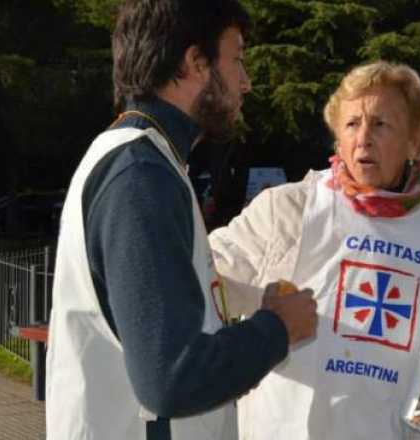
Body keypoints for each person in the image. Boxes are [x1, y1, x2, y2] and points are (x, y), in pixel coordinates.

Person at [45, 1, 317, 439]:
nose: (245, 82)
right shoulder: (141, 176)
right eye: (238, 59)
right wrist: (278, 329)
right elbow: (172, 377)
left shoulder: (147, 160)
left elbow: (170, 302)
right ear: (195, 62)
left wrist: (251, 301)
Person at [209, 61, 420, 439]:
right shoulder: (286, 210)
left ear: (416, 143)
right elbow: (204, 277)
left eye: (381, 124)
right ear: (337, 137)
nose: (364, 138)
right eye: (352, 124)